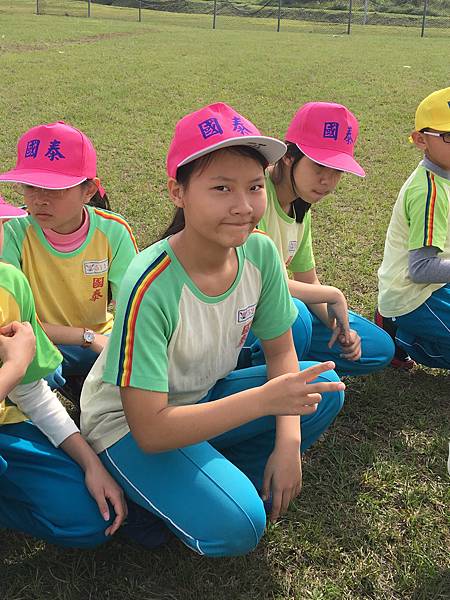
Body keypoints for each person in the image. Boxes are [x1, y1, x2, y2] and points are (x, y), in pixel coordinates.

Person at [81, 102, 346, 557]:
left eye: (255, 187)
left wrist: (288, 445)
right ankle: (156, 496)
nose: (243, 206)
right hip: (128, 426)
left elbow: (281, 353)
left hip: (200, 397)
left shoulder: (260, 253)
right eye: (221, 188)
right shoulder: (150, 284)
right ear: (178, 192)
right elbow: (151, 430)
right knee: (239, 525)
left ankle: (204, 476)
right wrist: (266, 401)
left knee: (320, 390)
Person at [0, 195, 127, 547]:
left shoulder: (10, 284)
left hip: (7, 426)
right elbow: (18, 375)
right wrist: (13, 367)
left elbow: (31, 392)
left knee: (93, 519)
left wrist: (90, 463)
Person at [249, 101, 394, 377]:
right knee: (296, 316)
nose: (328, 180)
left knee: (378, 347)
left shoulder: (300, 203)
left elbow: (307, 279)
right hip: (246, 311)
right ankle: (257, 375)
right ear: (289, 156)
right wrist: (332, 295)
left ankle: (293, 355)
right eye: (319, 166)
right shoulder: (254, 194)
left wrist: (338, 327)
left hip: (279, 308)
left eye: (337, 170)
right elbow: (258, 283)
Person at [0, 121, 138, 400]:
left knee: (137, 364)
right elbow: (15, 322)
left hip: (103, 341)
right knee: (31, 368)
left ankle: (84, 385)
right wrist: (86, 337)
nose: (40, 200)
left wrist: (105, 343)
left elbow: (135, 309)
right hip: (39, 342)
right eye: (31, 186)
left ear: (89, 190)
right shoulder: (12, 230)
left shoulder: (113, 231)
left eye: (55, 189)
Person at [376, 86, 450, 369]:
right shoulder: (428, 192)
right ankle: (398, 335)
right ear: (421, 140)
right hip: (413, 295)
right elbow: (420, 270)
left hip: (437, 284)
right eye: (449, 136)